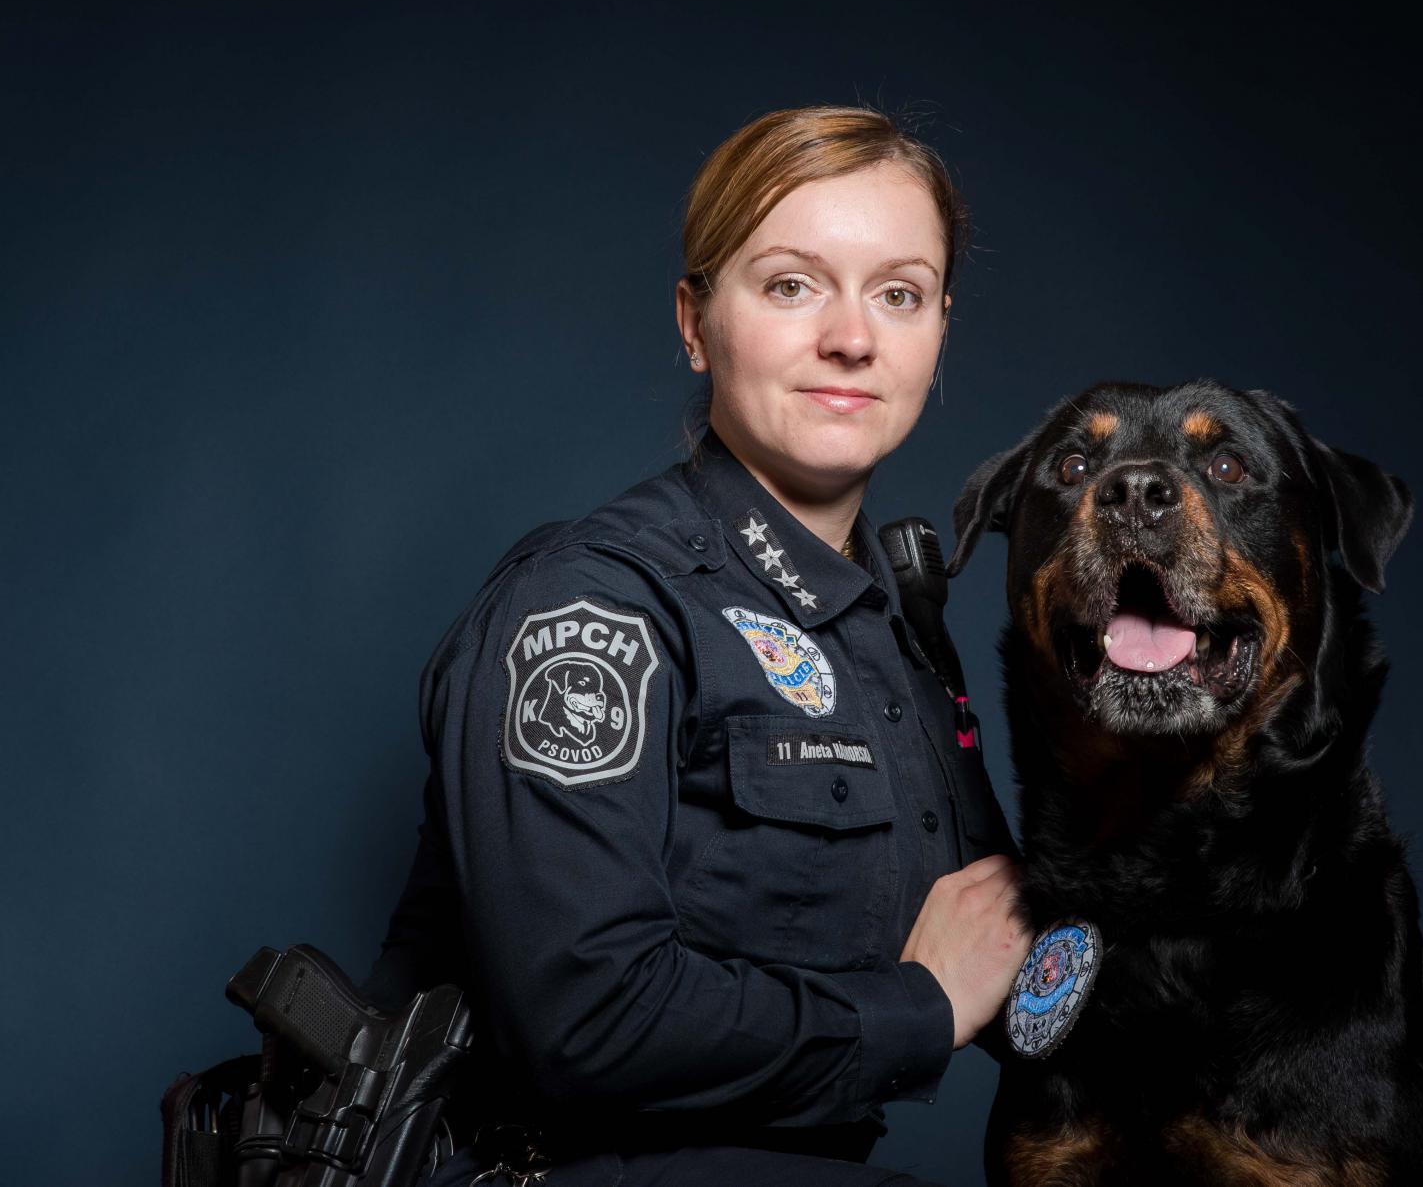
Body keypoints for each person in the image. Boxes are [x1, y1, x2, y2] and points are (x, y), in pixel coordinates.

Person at [363, 105, 1033, 1186]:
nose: (853, 337)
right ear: (694, 320)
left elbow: (1003, 945)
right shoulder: (597, 604)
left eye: (899, 293)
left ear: (939, 330)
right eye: (792, 285)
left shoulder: (896, 630)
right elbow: (587, 1022)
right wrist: (920, 1007)